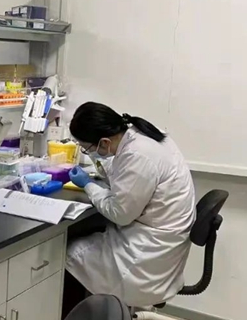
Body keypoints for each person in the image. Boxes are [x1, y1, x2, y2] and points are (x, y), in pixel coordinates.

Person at [65, 102, 195, 308]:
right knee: (87, 235)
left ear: (104, 142)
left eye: (87, 148)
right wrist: (100, 169)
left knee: (67, 253)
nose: (87, 152)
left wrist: (88, 185)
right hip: (160, 238)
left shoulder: (138, 154)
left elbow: (120, 214)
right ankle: (99, 318)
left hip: (148, 253)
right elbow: (126, 174)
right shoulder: (140, 135)